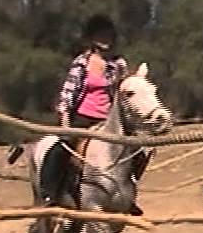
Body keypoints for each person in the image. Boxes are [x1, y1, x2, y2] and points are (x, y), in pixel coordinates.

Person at [47, 14, 144, 215]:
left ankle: (127, 195)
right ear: (92, 38)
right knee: (59, 150)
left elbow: (124, 91)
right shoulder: (81, 62)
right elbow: (68, 92)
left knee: (139, 151)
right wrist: (65, 120)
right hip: (83, 118)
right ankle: (52, 193)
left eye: (109, 35)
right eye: (101, 35)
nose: (106, 39)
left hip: (108, 119)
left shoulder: (118, 63)